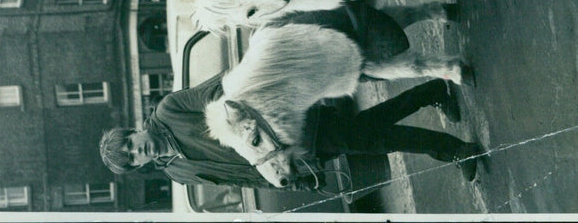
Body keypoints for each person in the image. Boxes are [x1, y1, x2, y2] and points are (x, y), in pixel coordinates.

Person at [99, 75, 484, 187]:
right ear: (138, 167)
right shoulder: (177, 173)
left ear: (133, 132)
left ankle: (453, 150)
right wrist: (282, 179)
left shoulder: (170, 110)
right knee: (369, 130)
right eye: (132, 160)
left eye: (130, 146)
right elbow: (238, 178)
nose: (138, 153)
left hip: (284, 125)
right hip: (285, 160)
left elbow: (223, 90)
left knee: (370, 139)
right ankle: (434, 91)